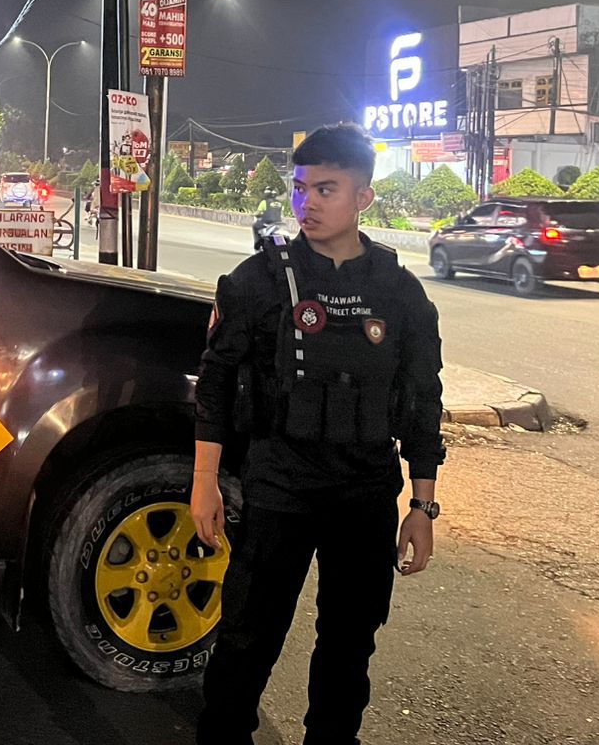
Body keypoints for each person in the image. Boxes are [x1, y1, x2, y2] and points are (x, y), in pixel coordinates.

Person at [191, 123, 445, 745]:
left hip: (365, 493)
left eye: (325, 189)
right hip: (280, 486)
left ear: (363, 197)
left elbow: (422, 399)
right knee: (247, 637)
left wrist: (422, 505)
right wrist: (204, 481)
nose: (307, 202)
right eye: (300, 187)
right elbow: (216, 383)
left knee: (349, 645)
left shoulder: (399, 291)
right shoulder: (258, 281)